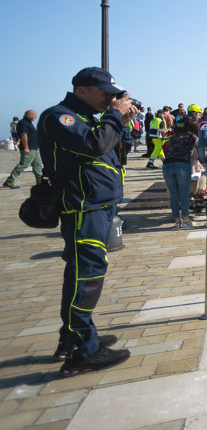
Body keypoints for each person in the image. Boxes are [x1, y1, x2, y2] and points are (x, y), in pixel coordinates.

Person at [38, 66, 133, 376]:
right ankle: (82, 351)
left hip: (97, 206)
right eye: (103, 92)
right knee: (87, 275)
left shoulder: (90, 120)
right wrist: (114, 116)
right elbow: (94, 145)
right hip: (83, 208)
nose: (110, 98)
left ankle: (75, 338)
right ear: (81, 90)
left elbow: (112, 151)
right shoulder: (60, 117)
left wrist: (122, 122)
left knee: (79, 273)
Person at [163, 118, 199, 228]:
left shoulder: (173, 138)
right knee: (183, 194)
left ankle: (177, 221)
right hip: (182, 165)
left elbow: (167, 151)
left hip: (167, 165)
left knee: (174, 195)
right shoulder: (192, 137)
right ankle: (186, 219)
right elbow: (196, 154)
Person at [3, 110, 42, 189]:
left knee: (38, 165)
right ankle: (9, 181)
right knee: (23, 165)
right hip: (29, 148)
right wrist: (26, 147)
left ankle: (40, 182)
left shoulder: (29, 122)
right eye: (34, 115)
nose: (36, 116)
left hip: (34, 148)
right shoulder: (23, 122)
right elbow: (24, 135)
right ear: (28, 115)